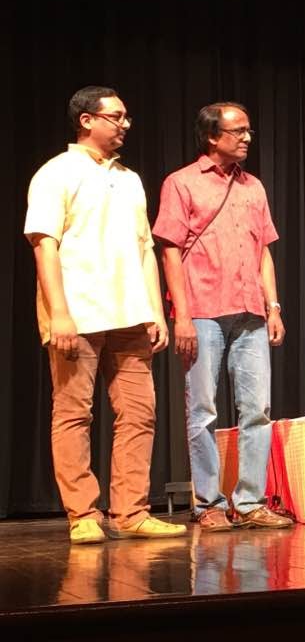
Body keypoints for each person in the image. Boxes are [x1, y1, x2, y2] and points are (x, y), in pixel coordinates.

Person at [24, 86, 186, 543]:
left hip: (130, 314)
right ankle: (83, 514)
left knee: (139, 413)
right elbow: (44, 245)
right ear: (86, 120)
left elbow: (145, 249)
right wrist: (59, 313)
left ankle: (131, 511)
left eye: (126, 117)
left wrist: (155, 311)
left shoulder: (129, 179)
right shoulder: (56, 173)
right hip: (77, 313)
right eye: (116, 116)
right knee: (73, 414)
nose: (125, 124)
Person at [153, 102, 292, 531]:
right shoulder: (181, 183)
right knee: (203, 411)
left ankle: (249, 503)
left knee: (257, 410)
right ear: (213, 137)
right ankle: (208, 504)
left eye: (249, 131)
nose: (247, 138)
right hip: (203, 311)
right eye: (238, 131)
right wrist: (181, 315)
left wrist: (273, 306)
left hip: (251, 310)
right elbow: (169, 251)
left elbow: (263, 251)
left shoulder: (254, 187)